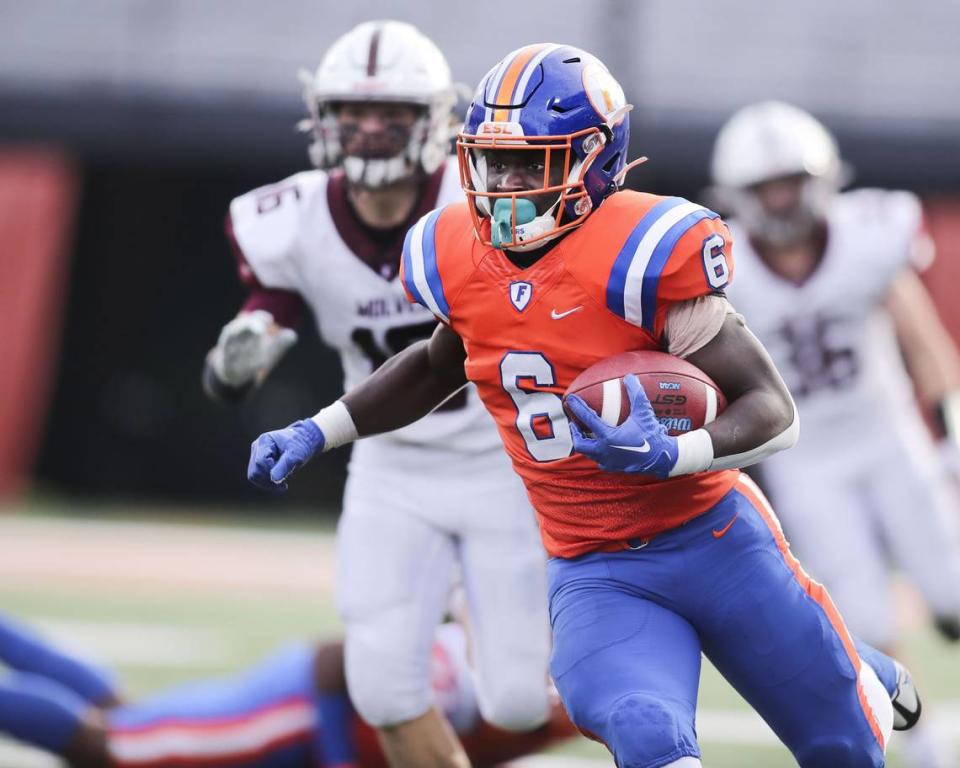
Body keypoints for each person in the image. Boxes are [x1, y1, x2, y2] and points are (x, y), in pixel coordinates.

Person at [248, 43, 927, 768]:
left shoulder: (642, 250)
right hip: (595, 564)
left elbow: (774, 409)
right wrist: (320, 429)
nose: (504, 184)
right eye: (491, 161)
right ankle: (834, 658)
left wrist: (675, 452)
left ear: (592, 161)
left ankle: (853, 666)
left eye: (528, 163)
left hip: (715, 539)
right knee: (642, 728)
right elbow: (435, 365)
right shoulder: (453, 250)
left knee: (841, 747)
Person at [202, 20, 553, 768]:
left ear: (432, 120)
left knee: (521, 700)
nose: (367, 132)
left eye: (390, 115)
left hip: (504, 463)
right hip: (391, 469)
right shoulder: (289, 218)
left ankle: (473, 621)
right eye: (352, 115)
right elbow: (263, 322)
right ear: (322, 120)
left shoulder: (485, 197)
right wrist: (236, 363)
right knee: (384, 689)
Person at [712, 100, 960, 768]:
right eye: (765, 189)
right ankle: (929, 746)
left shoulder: (870, 235)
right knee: (868, 623)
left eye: (790, 181)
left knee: (954, 595)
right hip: (807, 458)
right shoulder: (724, 266)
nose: (782, 200)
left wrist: (950, 430)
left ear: (821, 179)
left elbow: (921, 338)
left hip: (887, 435)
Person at [0, 612, 575, 768]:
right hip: (296, 710)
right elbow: (335, 661)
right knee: (111, 750)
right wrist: (339, 759)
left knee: (129, 717)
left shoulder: (563, 683)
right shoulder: (532, 674)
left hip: (298, 702)